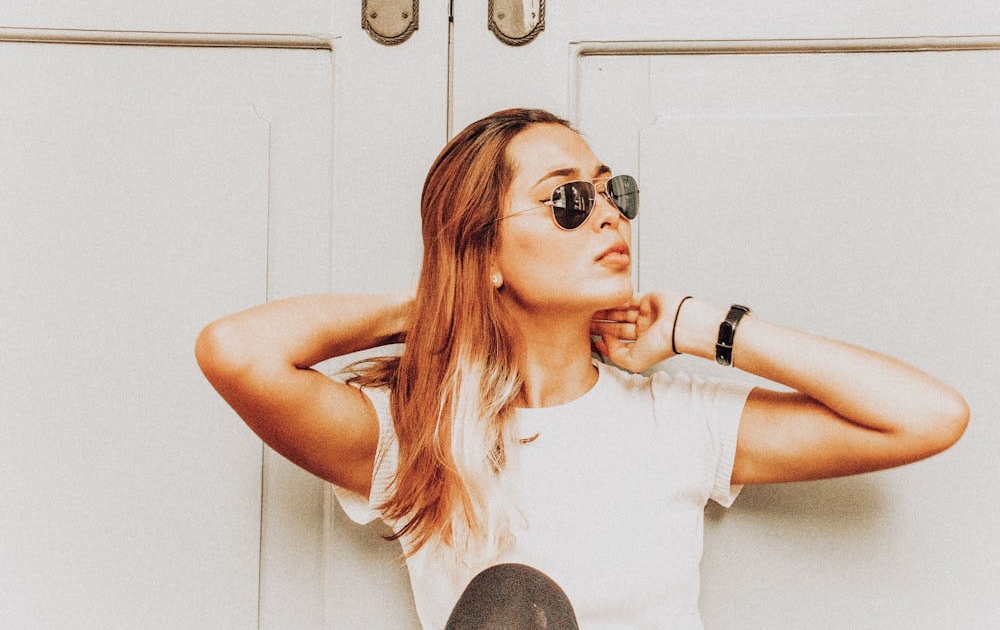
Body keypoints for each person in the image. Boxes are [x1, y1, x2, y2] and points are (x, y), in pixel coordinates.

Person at [195, 108, 969, 629]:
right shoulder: (417, 435)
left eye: (613, 191)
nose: (609, 214)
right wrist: (440, 296)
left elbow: (928, 416)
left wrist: (705, 327)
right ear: (486, 248)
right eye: (567, 199)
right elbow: (235, 350)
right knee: (511, 595)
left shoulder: (675, 416)